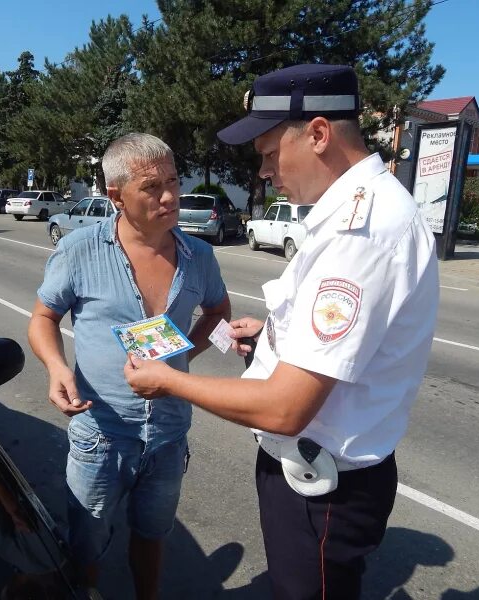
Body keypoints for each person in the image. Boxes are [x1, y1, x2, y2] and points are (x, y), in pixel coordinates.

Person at [124, 64, 439, 599]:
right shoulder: (354, 213)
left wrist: (168, 380)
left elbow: (285, 408)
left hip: (320, 490)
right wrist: (272, 335)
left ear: (318, 134)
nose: (266, 171)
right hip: (313, 475)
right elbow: (342, 334)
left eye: (270, 154)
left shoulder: (359, 233)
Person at [27, 132, 231, 599]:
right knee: (88, 544)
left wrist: (181, 363)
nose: (169, 196)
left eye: (174, 182)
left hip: (168, 434)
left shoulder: (199, 256)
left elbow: (219, 313)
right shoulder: (80, 250)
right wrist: (57, 368)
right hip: (101, 433)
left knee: (153, 534)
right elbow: (43, 317)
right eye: (152, 187)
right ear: (116, 195)